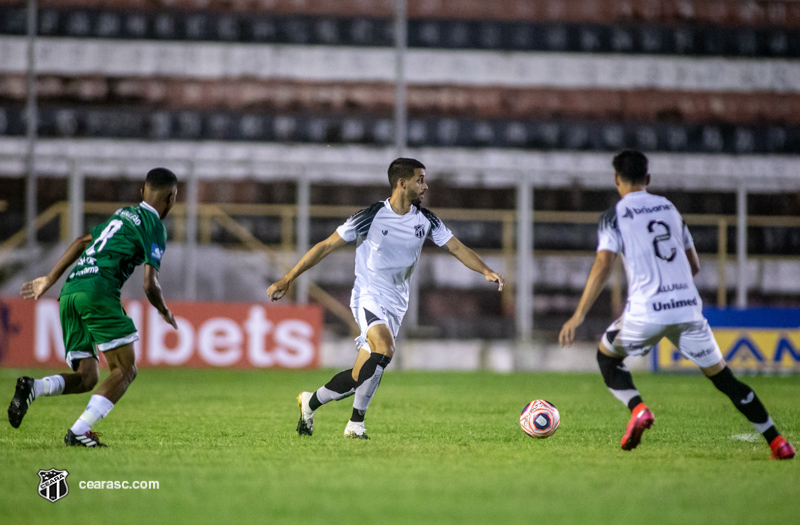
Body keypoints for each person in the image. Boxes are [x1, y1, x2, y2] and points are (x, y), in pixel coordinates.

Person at [558, 149, 794, 459]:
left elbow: (603, 263)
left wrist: (577, 316)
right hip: (687, 309)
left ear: (617, 179)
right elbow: (693, 265)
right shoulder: (670, 208)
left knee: (607, 357)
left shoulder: (613, 215)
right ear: (648, 178)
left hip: (645, 312)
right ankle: (778, 442)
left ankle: (639, 409)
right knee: (724, 379)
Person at [268, 158, 504, 439]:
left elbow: (456, 247)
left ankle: (311, 401)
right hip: (368, 296)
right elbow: (326, 245)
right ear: (402, 183)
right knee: (384, 349)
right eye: (420, 180)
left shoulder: (425, 219)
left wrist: (486, 270)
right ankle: (356, 425)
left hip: (396, 304)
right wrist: (289, 277)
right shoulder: (372, 215)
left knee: (359, 376)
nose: (425, 186)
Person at [7, 168, 179, 447]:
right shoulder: (154, 225)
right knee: (125, 370)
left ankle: (33, 387)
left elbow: (82, 241)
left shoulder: (123, 213)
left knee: (87, 377)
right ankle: (78, 432)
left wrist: (49, 280)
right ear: (171, 198)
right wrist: (163, 309)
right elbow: (150, 283)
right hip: (98, 292)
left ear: (141, 193)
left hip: (71, 292)